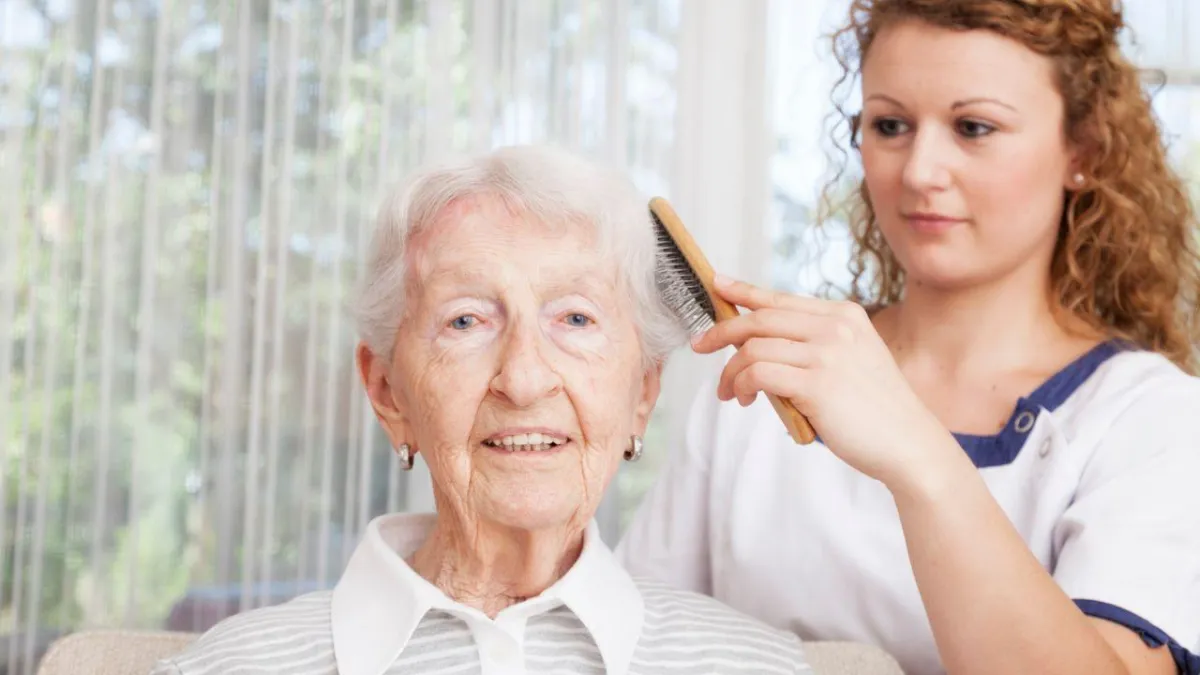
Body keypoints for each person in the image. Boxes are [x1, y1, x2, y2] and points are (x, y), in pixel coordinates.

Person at [617, 2, 1200, 675]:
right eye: (890, 125)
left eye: (974, 127)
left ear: (1084, 151)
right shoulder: (761, 384)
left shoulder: (1153, 420)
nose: (920, 171)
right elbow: (636, 639)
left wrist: (918, 455)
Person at [149, 145, 813, 675]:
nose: (523, 379)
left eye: (575, 318)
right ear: (386, 391)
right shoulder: (230, 666)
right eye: (465, 320)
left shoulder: (761, 666)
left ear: (643, 392)